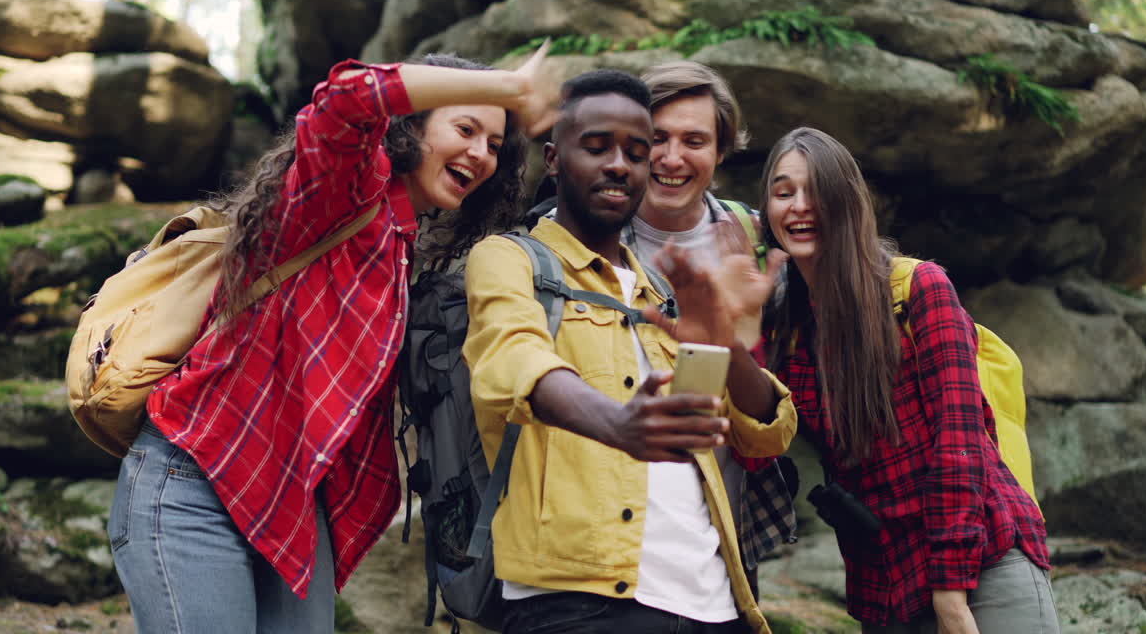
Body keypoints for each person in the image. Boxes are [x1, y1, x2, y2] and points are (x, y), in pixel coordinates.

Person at [106, 44, 560, 633]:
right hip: (196, 480)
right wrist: (509, 86)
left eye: (495, 145)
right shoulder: (341, 191)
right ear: (412, 127)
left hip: (292, 506)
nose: (479, 153)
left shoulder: (399, 247)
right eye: (465, 128)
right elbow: (347, 98)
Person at [463, 69, 797, 634]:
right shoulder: (509, 259)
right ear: (554, 158)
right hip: (578, 601)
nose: (620, 164)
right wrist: (617, 424)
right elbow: (513, 358)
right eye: (596, 147)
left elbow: (757, 433)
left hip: (715, 603)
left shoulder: (663, 289)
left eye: (636, 153)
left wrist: (721, 341)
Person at [758, 127, 1058, 634]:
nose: (800, 207)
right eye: (784, 192)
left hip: (980, 565)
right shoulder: (787, 332)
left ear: (849, 203)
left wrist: (951, 592)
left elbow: (960, 441)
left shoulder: (919, 288)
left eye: (818, 192)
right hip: (886, 593)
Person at [626, 61, 797, 600]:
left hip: (720, 527)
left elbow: (761, 428)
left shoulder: (753, 241)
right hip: (612, 526)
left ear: (721, 152)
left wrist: (733, 334)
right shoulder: (585, 233)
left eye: (694, 140)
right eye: (656, 138)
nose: (672, 158)